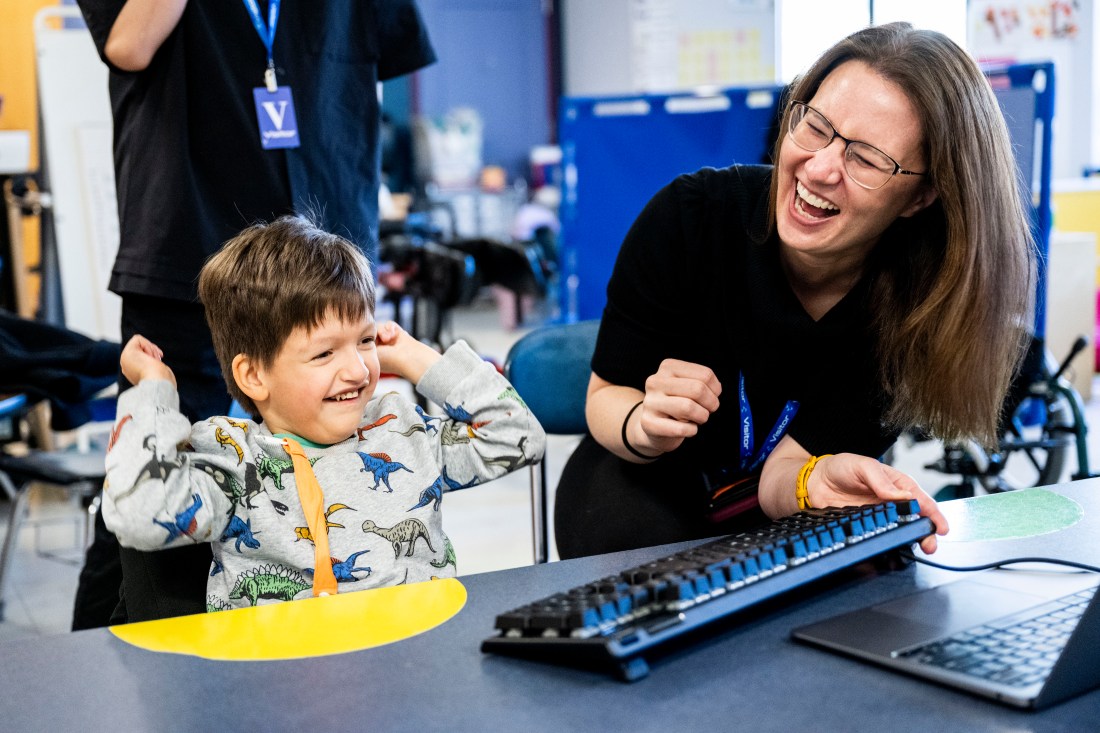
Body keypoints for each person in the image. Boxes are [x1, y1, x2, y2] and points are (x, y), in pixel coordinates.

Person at [555, 22, 1036, 559]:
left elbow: (783, 475)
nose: (821, 167)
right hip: (638, 481)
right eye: (816, 126)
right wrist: (643, 424)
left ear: (920, 198)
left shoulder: (912, 311)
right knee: (638, 542)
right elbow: (604, 397)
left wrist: (819, 477)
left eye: (867, 159)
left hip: (769, 506)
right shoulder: (691, 218)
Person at [72, 0, 435, 626]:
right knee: (159, 476)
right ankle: (103, 677)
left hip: (324, 254)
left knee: (338, 468)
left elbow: (377, 65)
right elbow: (129, 43)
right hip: (188, 246)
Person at [103, 215, 545, 610]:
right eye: (324, 354)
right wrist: (156, 392)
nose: (356, 369)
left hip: (419, 662)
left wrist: (417, 358)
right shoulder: (232, 459)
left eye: (365, 340)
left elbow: (519, 436)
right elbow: (139, 514)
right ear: (254, 376)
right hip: (280, 681)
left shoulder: (401, 431)